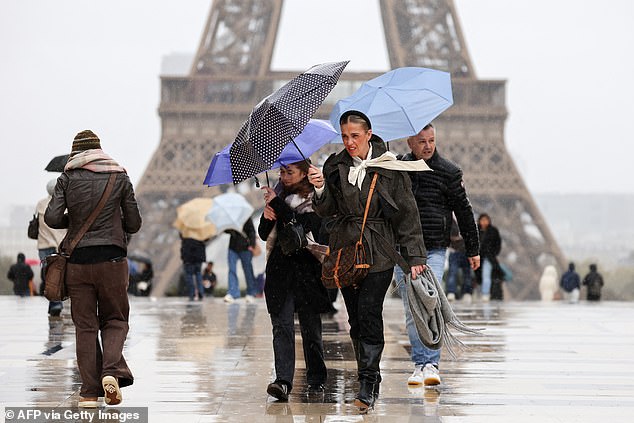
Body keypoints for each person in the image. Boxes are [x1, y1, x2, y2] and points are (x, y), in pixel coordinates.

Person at [308, 110, 427, 412]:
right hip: (347, 251)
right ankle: (369, 376)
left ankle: (367, 381)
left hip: (380, 251)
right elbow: (326, 211)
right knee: (357, 321)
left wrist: (415, 256)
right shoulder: (335, 166)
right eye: (345, 136)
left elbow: (407, 212)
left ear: (369, 134)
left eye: (355, 136)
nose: (349, 142)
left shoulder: (390, 167)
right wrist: (320, 187)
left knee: (369, 313)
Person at [45, 130, 141, 408]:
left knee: (85, 326)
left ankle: (88, 391)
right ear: (99, 151)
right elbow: (134, 224)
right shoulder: (119, 175)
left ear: (76, 154)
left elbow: (52, 217)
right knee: (116, 320)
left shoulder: (67, 177)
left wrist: (74, 219)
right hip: (112, 260)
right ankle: (110, 371)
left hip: (77, 261)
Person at [398, 123, 480, 387]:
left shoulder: (449, 172)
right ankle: (420, 364)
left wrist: (473, 248)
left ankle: (431, 363)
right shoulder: (398, 169)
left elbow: (464, 212)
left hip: (433, 247)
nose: (428, 145)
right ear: (410, 142)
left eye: (431, 140)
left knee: (429, 304)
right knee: (412, 308)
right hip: (403, 250)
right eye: (421, 141)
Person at [258, 160, 332, 401]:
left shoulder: (317, 201)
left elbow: (301, 228)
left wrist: (277, 205)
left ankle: (316, 378)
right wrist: (268, 215)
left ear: (303, 173)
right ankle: (283, 381)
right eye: (281, 172)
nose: (284, 176)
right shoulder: (278, 196)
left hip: (308, 271)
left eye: (289, 172)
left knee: (311, 328)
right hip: (281, 269)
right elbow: (262, 234)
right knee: (282, 326)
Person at [35, 179, 68, 315]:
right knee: (58, 274)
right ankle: (56, 303)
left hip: (43, 245)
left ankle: (54, 302)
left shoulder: (40, 204)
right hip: (59, 244)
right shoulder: (64, 204)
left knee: (48, 274)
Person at [224, 220, 257, 303]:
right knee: (232, 270)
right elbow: (226, 230)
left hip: (245, 247)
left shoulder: (246, 217)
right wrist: (230, 227)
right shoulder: (231, 218)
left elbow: (252, 231)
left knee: (248, 270)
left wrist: (252, 245)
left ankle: (251, 293)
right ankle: (232, 292)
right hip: (233, 248)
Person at [446, 218, 474, 303]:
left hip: (466, 252)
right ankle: (451, 292)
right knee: (452, 272)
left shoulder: (467, 217)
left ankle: (467, 293)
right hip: (454, 252)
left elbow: (472, 235)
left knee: (467, 274)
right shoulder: (449, 219)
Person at [477, 213, 501, 302]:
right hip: (478, 257)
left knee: (486, 275)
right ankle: (479, 293)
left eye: (485, 220)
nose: (484, 222)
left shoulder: (493, 231)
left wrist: (493, 253)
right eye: (482, 220)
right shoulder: (476, 231)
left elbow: (498, 244)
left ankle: (485, 293)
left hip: (487, 257)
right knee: (477, 276)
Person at [180, 237, 206, 301]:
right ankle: (200, 292)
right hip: (199, 254)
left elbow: (182, 235)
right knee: (198, 274)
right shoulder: (200, 227)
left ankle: (192, 293)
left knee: (189, 275)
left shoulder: (186, 227)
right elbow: (206, 238)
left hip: (188, 254)